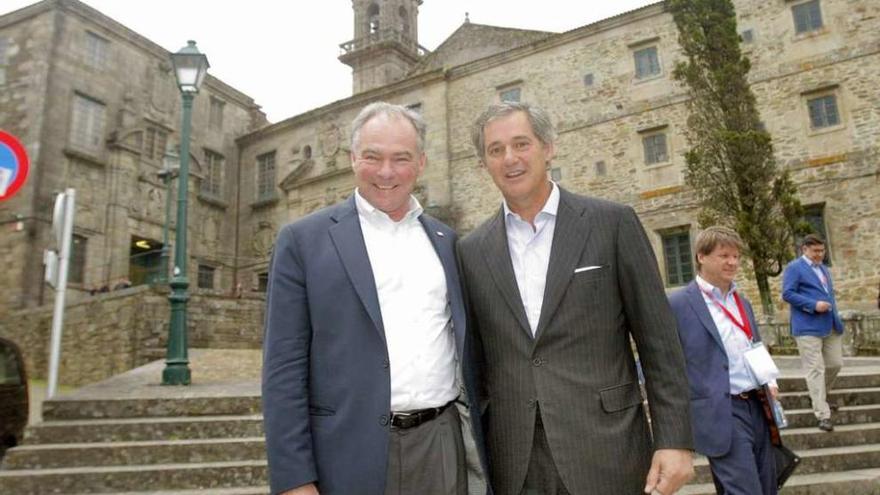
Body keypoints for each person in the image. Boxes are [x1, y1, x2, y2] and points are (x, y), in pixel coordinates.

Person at [458, 102, 693, 495]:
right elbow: (478, 364)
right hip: (515, 464)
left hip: (608, 448)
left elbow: (660, 343)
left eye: (521, 144)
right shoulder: (471, 251)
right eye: (495, 150)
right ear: (483, 163)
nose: (510, 158)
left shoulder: (611, 224)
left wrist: (675, 439)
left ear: (548, 147)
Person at [261, 102, 486, 495]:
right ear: (352, 159)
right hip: (347, 453)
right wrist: (294, 479)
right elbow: (283, 369)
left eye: (401, 158)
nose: (386, 172)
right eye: (372, 157)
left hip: (441, 445)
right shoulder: (303, 241)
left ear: (421, 163)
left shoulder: (446, 241)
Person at [668, 226, 778, 494]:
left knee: (767, 487)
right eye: (724, 255)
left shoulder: (742, 302)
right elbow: (664, 359)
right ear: (701, 257)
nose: (732, 262)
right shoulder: (678, 304)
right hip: (720, 411)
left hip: (758, 404)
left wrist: (770, 379)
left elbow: (754, 344)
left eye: (736, 256)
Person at [782, 233, 844, 432]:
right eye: (816, 251)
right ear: (805, 250)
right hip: (807, 325)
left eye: (822, 250)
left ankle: (819, 397)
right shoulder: (794, 268)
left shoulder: (824, 269)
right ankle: (822, 415)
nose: (820, 254)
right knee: (815, 369)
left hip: (830, 324)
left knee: (835, 364)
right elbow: (788, 293)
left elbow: (829, 295)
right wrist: (813, 305)